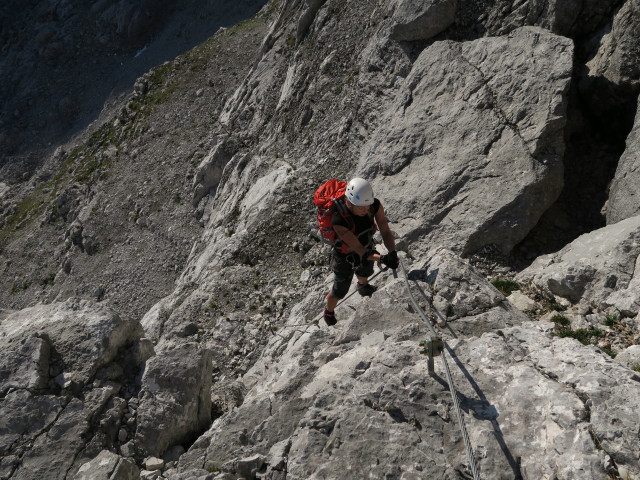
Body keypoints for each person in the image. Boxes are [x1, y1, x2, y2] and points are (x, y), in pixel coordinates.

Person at [323, 177, 399, 326]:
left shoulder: (373, 205)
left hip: (366, 244)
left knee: (365, 271)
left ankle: (362, 286)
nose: (366, 210)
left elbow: (384, 228)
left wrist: (392, 252)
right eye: (361, 208)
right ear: (349, 203)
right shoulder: (339, 220)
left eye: (368, 206)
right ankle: (328, 311)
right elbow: (360, 250)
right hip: (344, 256)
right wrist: (383, 259)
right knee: (340, 290)